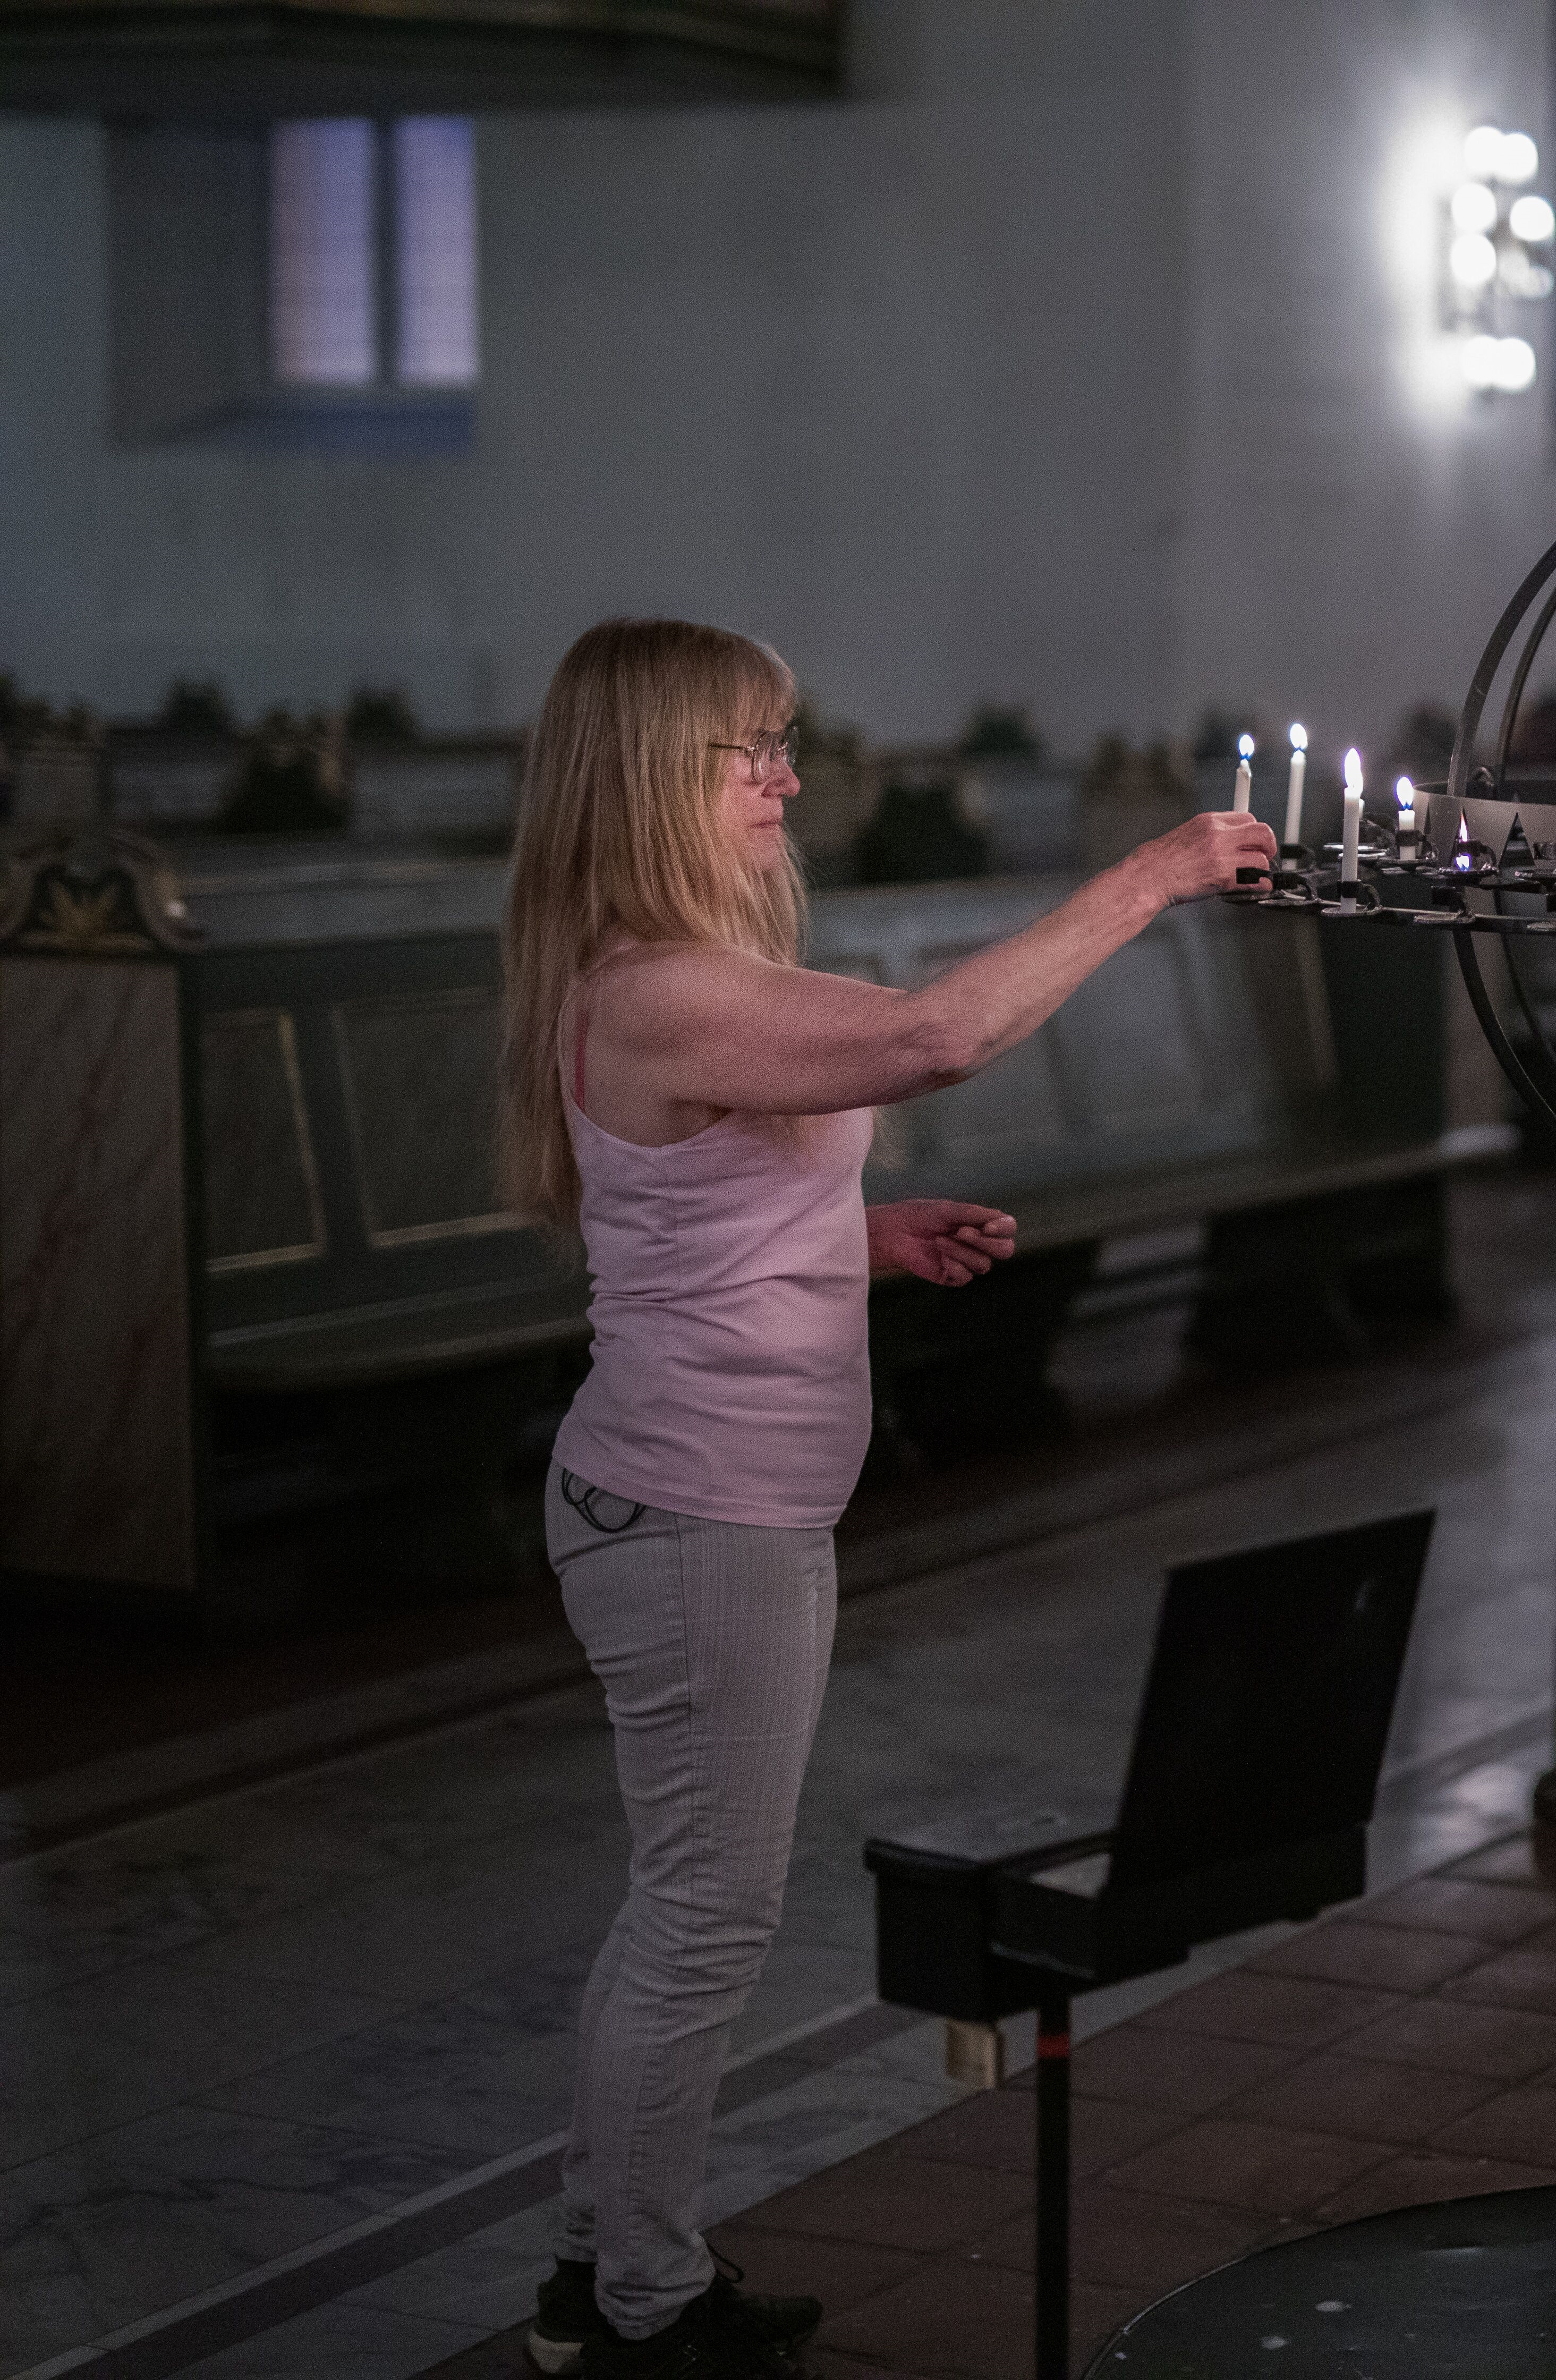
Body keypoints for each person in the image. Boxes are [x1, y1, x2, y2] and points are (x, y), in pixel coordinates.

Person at [496, 618, 1272, 2377]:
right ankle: (635, 2307)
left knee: (685, 1904)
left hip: (709, 1495)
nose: (785, 775)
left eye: (781, 742)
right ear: (647, 779)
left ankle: (598, 2267)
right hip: (698, 1515)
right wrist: (1152, 872)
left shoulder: (667, 968)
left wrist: (858, 1241)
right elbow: (932, 1041)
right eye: (744, 750)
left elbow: (688, 1229)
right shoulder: (655, 988)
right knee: (704, 1917)